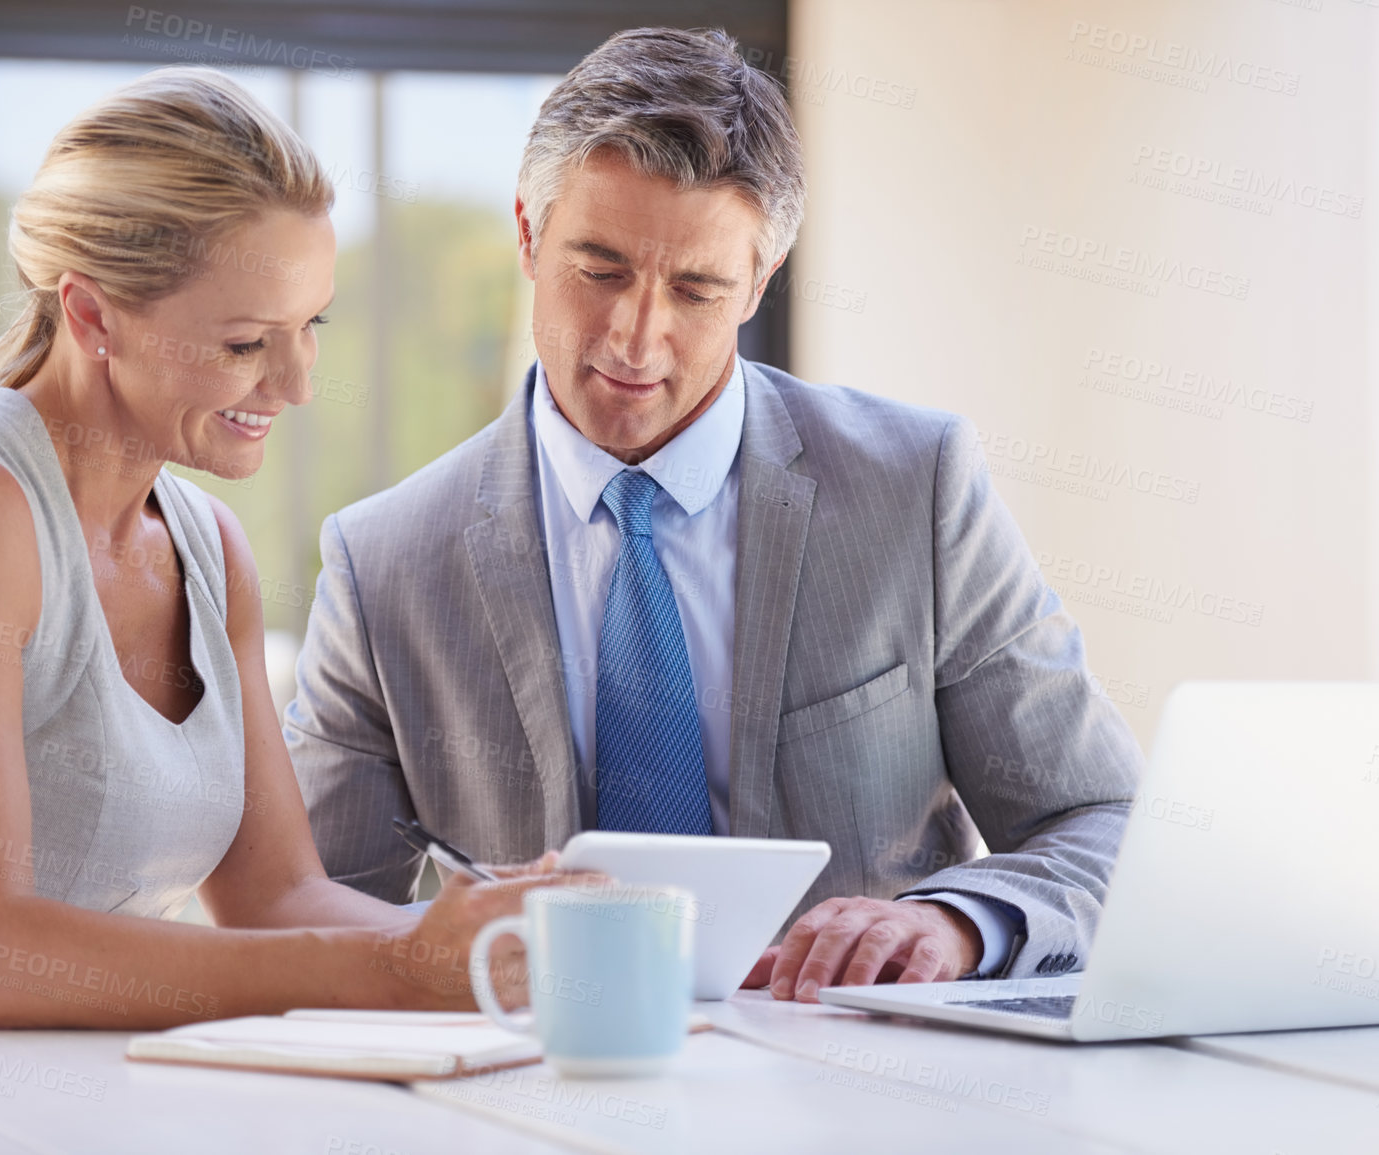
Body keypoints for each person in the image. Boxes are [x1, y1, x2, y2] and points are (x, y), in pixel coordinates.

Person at [286, 27, 1142, 1000]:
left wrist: (955, 921)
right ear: (526, 232)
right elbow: (312, 909)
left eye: (696, 288)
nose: (634, 337)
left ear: (759, 282)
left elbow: (1103, 821)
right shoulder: (383, 559)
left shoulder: (917, 490)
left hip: (861, 1098)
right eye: (599, 269)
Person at [0, 67, 578, 1028]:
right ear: (90, 315)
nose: (295, 385)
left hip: (112, 1105)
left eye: (311, 326)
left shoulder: (207, 545)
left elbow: (277, 904)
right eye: (248, 343)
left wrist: (497, 935)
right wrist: (392, 967)